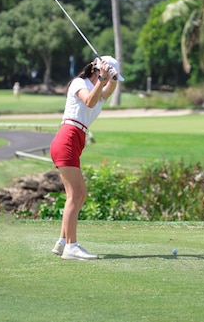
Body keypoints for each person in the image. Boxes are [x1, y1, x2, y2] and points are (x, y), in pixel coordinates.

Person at [49, 56, 124, 260]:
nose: (107, 82)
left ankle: (63, 241)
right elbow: (89, 102)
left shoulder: (99, 89)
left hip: (75, 140)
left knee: (78, 194)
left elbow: (105, 92)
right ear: (98, 71)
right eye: (106, 78)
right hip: (67, 138)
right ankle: (72, 247)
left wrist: (112, 79)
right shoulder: (79, 83)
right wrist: (103, 75)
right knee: (77, 194)